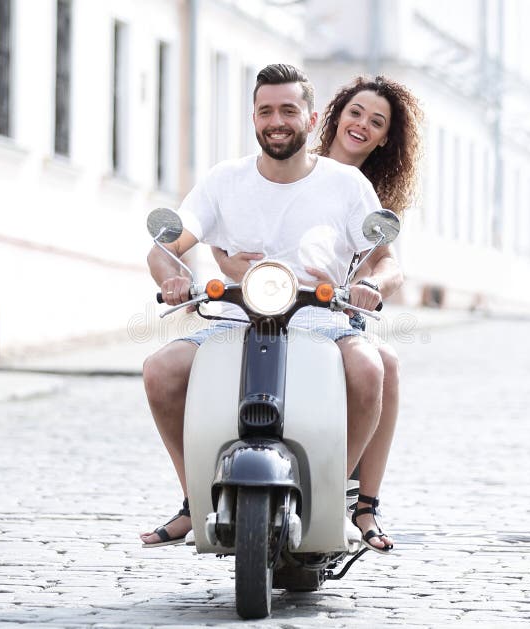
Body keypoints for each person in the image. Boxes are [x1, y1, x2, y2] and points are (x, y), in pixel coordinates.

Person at [140, 64, 394, 553]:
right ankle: (195, 500)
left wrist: (373, 285)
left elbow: (386, 260)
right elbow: (165, 244)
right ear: (254, 118)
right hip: (236, 314)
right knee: (159, 371)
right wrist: (171, 276)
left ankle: (330, 498)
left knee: (368, 368)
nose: (276, 120)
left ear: (311, 116)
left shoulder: (345, 184)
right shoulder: (224, 180)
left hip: (320, 316)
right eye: (265, 111)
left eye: (288, 110)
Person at [211, 75, 423, 548]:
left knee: (383, 364)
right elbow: (232, 241)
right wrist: (229, 265)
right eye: (355, 113)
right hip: (270, 300)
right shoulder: (290, 163)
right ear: (332, 115)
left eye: (376, 122)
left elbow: (387, 265)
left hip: (335, 309)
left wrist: (367, 286)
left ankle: (360, 501)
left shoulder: (368, 194)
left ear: (386, 136)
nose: (362, 126)